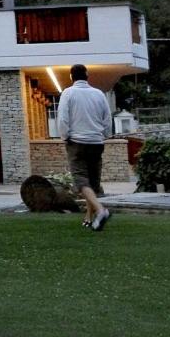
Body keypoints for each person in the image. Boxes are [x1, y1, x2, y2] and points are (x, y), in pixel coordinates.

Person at [57, 64, 113, 231]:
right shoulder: (99, 94)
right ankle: (89, 217)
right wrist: (105, 135)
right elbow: (107, 118)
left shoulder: (68, 93)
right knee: (92, 183)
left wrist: (64, 136)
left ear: (71, 77)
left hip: (77, 143)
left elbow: (63, 119)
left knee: (81, 180)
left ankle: (101, 211)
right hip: (97, 143)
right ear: (87, 76)